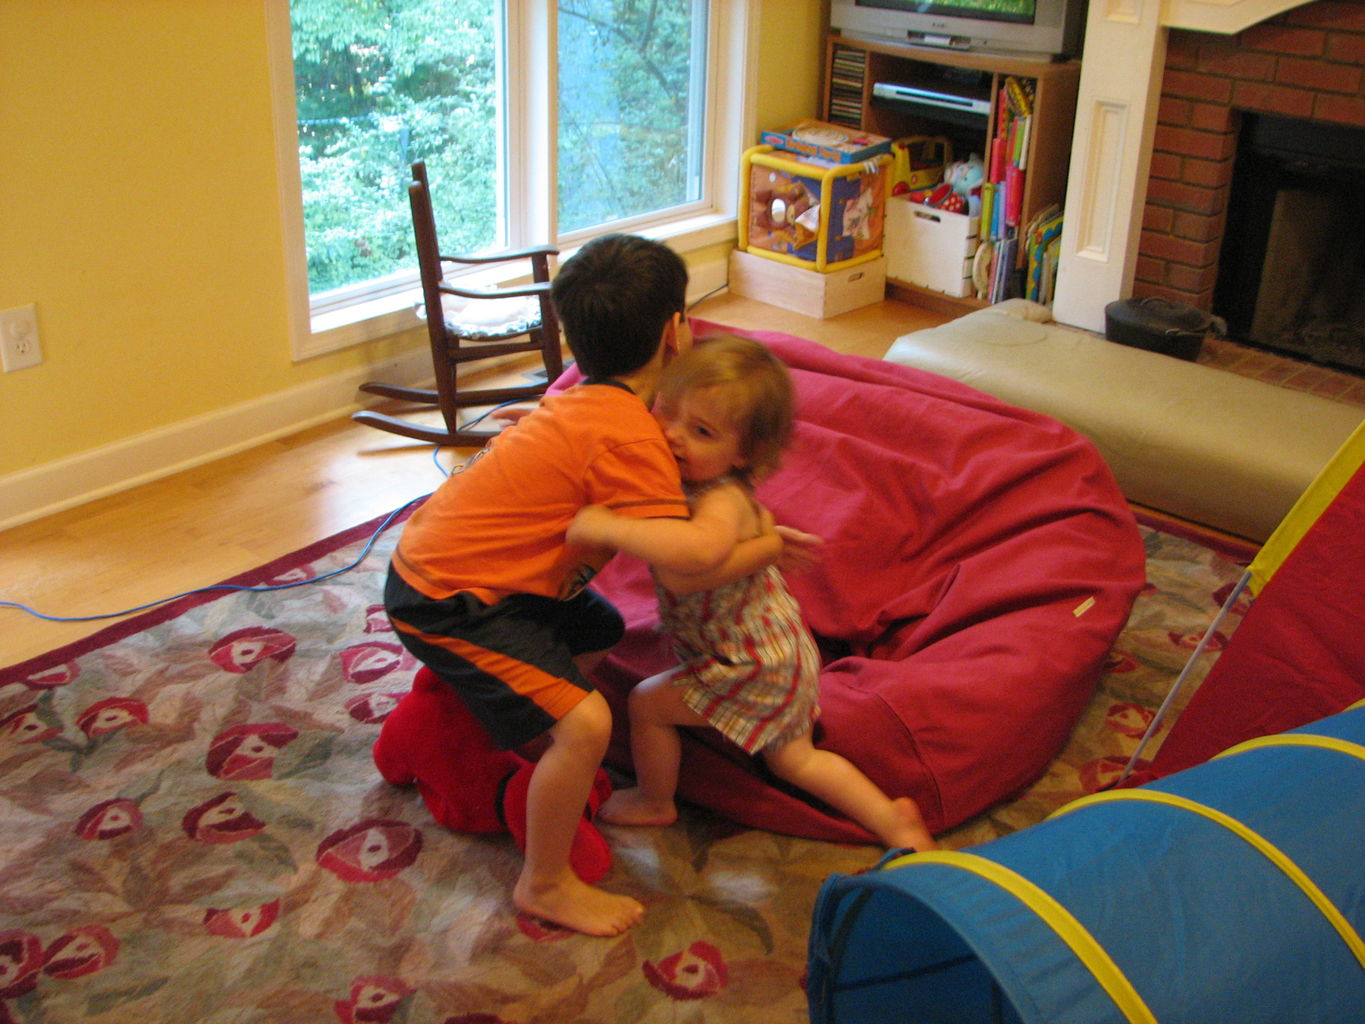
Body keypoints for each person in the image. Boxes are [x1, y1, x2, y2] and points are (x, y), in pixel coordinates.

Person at [384, 235, 755, 937]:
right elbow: (681, 567)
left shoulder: (591, 403)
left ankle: (525, 733)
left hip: (452, 571)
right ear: (677, 331)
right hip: (447, 599)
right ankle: (545, 882)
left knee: (597, 627)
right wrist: (759, 540)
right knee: (589, 724)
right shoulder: (632, 439)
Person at [568, 335, 937, 853]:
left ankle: (656, 800)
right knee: (794, 758)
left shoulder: (720, 500)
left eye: (700, 431)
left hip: (747, 664)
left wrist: (607, 528)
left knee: (646, 704)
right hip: (776, 651)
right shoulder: (694, 480)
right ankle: (889, 816)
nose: (672, 435)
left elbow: (684, 568)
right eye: (666, 412)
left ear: (742, 453)